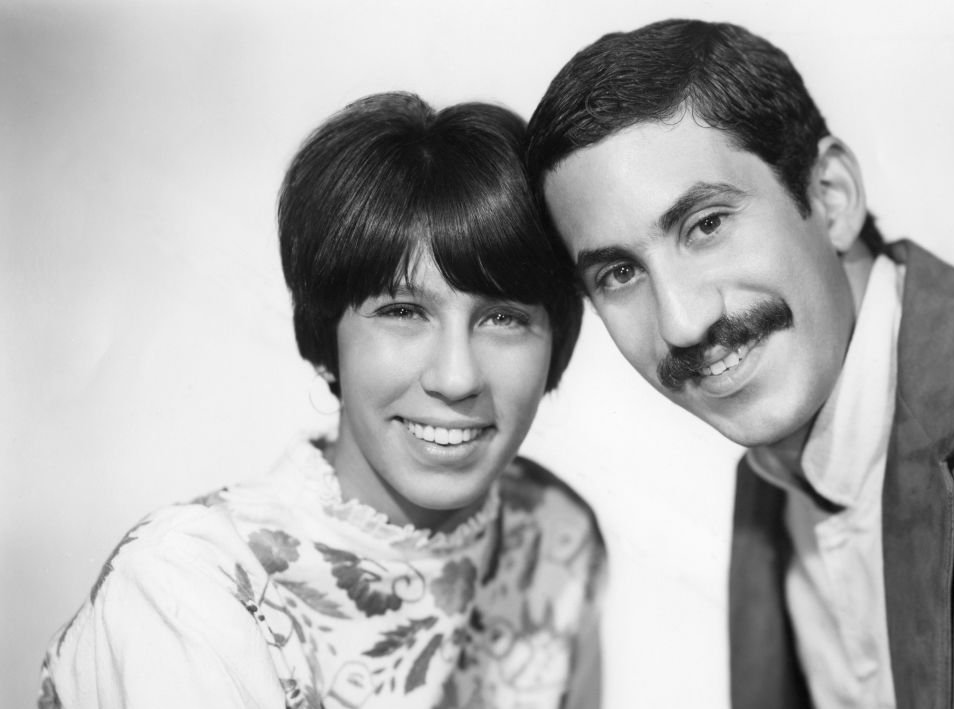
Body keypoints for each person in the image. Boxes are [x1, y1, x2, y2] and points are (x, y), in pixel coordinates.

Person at [39, 92, 603, 709]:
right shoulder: (187, 584)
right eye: (402, 312)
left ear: (558, 338)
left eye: (503, 317)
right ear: (325, 335)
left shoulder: (554, 530)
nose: (456, 377)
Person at [525, 18, 954, 709]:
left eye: (705, 225)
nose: (681, 321)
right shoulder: (767, 481)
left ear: (831, 196)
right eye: (618, 273)